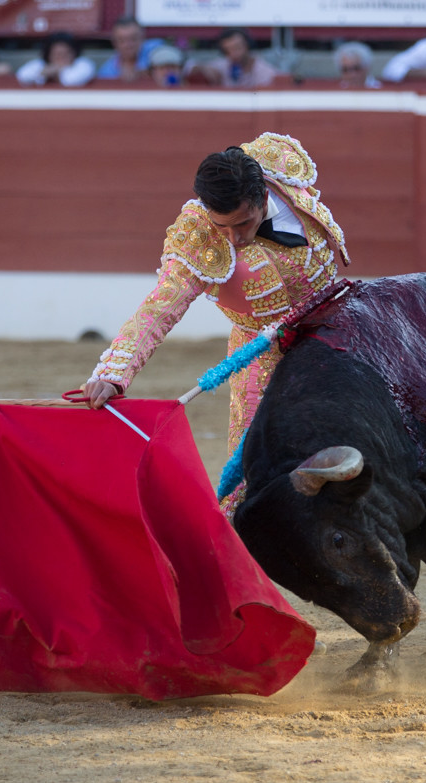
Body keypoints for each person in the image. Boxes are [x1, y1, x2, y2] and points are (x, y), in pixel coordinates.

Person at [81, 132, 351, 513]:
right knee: (250, 477)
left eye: (243, 223)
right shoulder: (198, 235)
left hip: (340, 329)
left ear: (263, 197)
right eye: (222, 226)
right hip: (264, 357)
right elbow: (160, 307)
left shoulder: (280, 166)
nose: (234, 238)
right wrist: (113, 372)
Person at [188, 27, 280, 88]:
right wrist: (204, 70)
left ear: (247, 45)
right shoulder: (224, 64)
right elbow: (190, 67)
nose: (233, 54)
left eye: (237, 48)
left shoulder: (264, 71)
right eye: (228, 51)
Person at [97, 16, 163, 82]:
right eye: (122, 40)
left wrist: (144, 73)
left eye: (133, 39)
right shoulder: (106, 71)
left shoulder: (156, 49)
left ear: (142, 37)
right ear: (114, 42)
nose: (128, 45)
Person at [16, 32, 95, 87]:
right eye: (57, 54)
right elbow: (22, 75)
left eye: (65, 54)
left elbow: (71, 80)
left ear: (74, 53)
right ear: (48, 54)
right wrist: (43, 73)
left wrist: (57, 72)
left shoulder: (84, 64)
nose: (61, 58)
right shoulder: (40, 64)